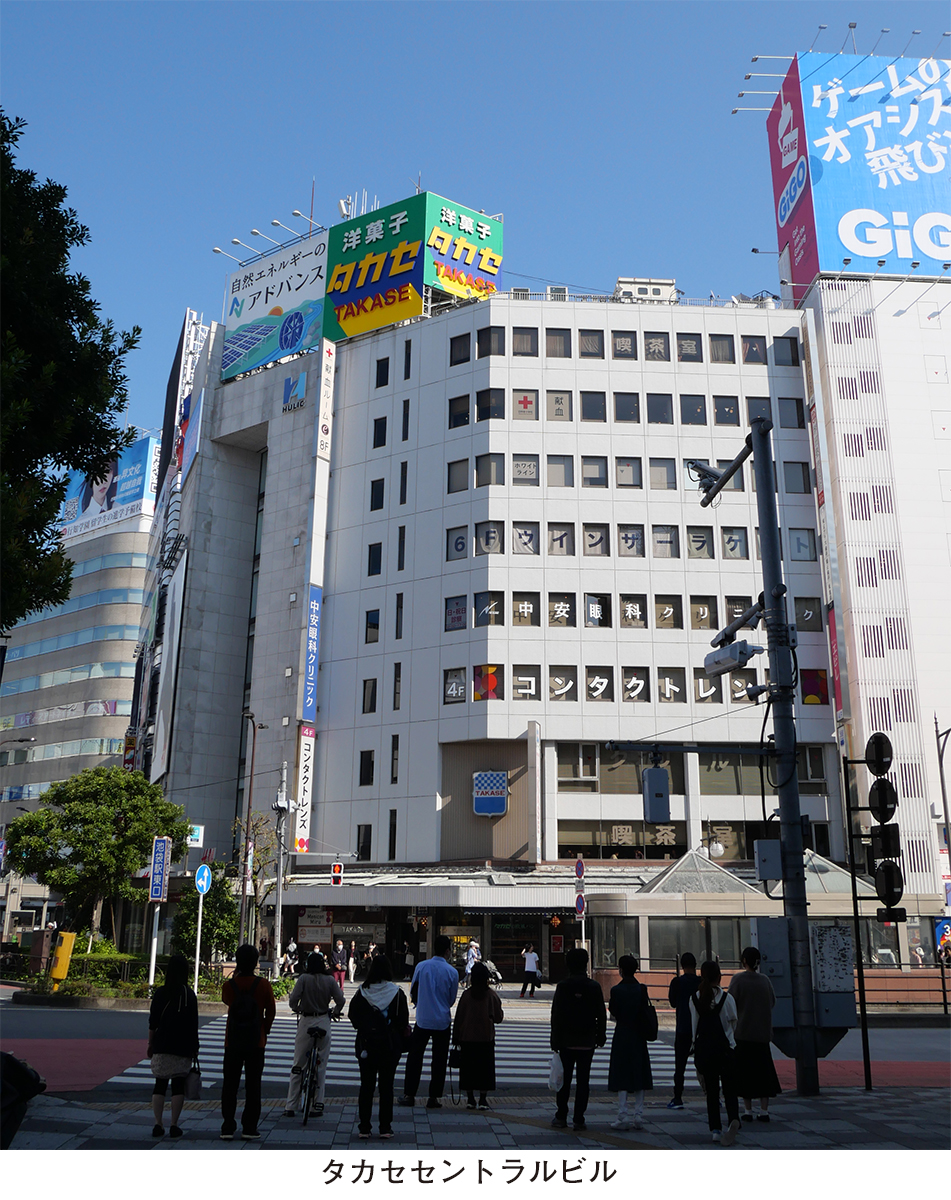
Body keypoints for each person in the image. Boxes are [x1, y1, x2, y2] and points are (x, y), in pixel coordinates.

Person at [349, 953, 410, 1139]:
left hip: (366, 1045)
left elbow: (353, 1017)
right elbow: (403, 1021)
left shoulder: (362, 992)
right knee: (386, 1086)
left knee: (366, 1085)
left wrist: (366, 1027)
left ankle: (364, 1127)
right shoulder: (397, 993)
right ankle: (385, 1127)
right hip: (389, 1046)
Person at [397, 933, 460, 1109]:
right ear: (447, 951)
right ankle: (434, 1097)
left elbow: (413, 991)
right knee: (439, 1060)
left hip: (423, 1019)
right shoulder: (452, 972)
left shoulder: (421, 966)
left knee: (415, 1058)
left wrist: (421, 1003)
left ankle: (409, 1094)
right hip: (442, 1021)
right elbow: (451, 999)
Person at [220, 943, 276, 1140]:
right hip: (256, 1041)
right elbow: (271, 1010)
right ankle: (249, 1127)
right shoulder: (263, 985)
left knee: (230, 1084)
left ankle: (228, 1125)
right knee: (254, 1084)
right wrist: (265, 1029)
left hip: (233, 1040)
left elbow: (226, 1001)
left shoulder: (229, 986)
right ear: (255, 962)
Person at [549, 946, 606, 1131]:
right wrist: (601, 1035)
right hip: (587, 1040)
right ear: (586, 963)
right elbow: (601, 1014)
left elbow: (556, 1014)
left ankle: (561, 1115)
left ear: (568, 964)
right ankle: (579, 1118)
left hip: (566, 1040)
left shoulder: (563, 986)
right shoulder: (594, 987)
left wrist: (554, 1040)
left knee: (563, 1080)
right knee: (583, 1081)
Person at [284, 952, 344, 1119]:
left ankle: (291, 1105)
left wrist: (297, 1008)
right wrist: (335, 1012)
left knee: (298, 1064)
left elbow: (292, 1001)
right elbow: (341, 1000)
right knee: (321, 1065)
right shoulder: (330, 980)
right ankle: (317, 1105)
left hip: (306, 1021)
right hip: (324, 1020)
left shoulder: (303, 979)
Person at [148, 953, 199, 1139]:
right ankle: (174, 1124)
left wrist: (150, 1043)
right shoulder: (189, 995)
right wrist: (196, 1047)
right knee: (178, 1086)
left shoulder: (161, 993)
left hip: (162, 1043)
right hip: (183, 1045)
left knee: (159, 1084)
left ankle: (157, 1123)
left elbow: (153, 1022)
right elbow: (194, 1024)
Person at [729, 946, 781, 1123]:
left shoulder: (737, 980)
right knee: (763, 1073)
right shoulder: (765, 981)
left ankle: (748, 1110)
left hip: (742, 1033)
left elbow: (730, 1003)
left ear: (744, 961)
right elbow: (772, 1002)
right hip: (762, 1034)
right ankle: (764, 1111)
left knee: (744, 1074)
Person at [690, 959, 740, 1146]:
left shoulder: (694, 998)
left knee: (711, 1091)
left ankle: (716, 1130)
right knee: (730, 1089)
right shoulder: (727, 999)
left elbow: (694, 1026)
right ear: (719, 977)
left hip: (705, 1050)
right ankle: (734, 1118)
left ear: (701, 976)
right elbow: (733, 1022)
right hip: (726, 1049)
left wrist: (695, 1046)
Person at [607, 955, 653, 1131]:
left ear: (621, 969)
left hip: (622, 1033)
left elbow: (614, 1011)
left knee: (621, 1074)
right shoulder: (641, 989)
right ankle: (638, 1115)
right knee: (639, 1072)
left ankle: (622, 1115)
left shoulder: (616, 990)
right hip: (639, 1034)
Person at [453, 961, 504, 1109]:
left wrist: (456, 1037)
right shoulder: (490, 995)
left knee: (468, 1068)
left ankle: (470, 1099)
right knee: (485, 1068)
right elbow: (498, 1018)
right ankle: (482, 1099)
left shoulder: (466, 995)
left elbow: (459, 1017)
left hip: (466, 1038)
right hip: (485, 1038)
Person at [667, 952, 700, 1109]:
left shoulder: (677, 983)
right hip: (700, 1029)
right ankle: (713, 1095)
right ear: (695, 965)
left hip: (683, 1028)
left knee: (680, 1066)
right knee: (706, 1066)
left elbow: (673, 1003)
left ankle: (678, 1097)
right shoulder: (702, 982)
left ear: (681, 966)